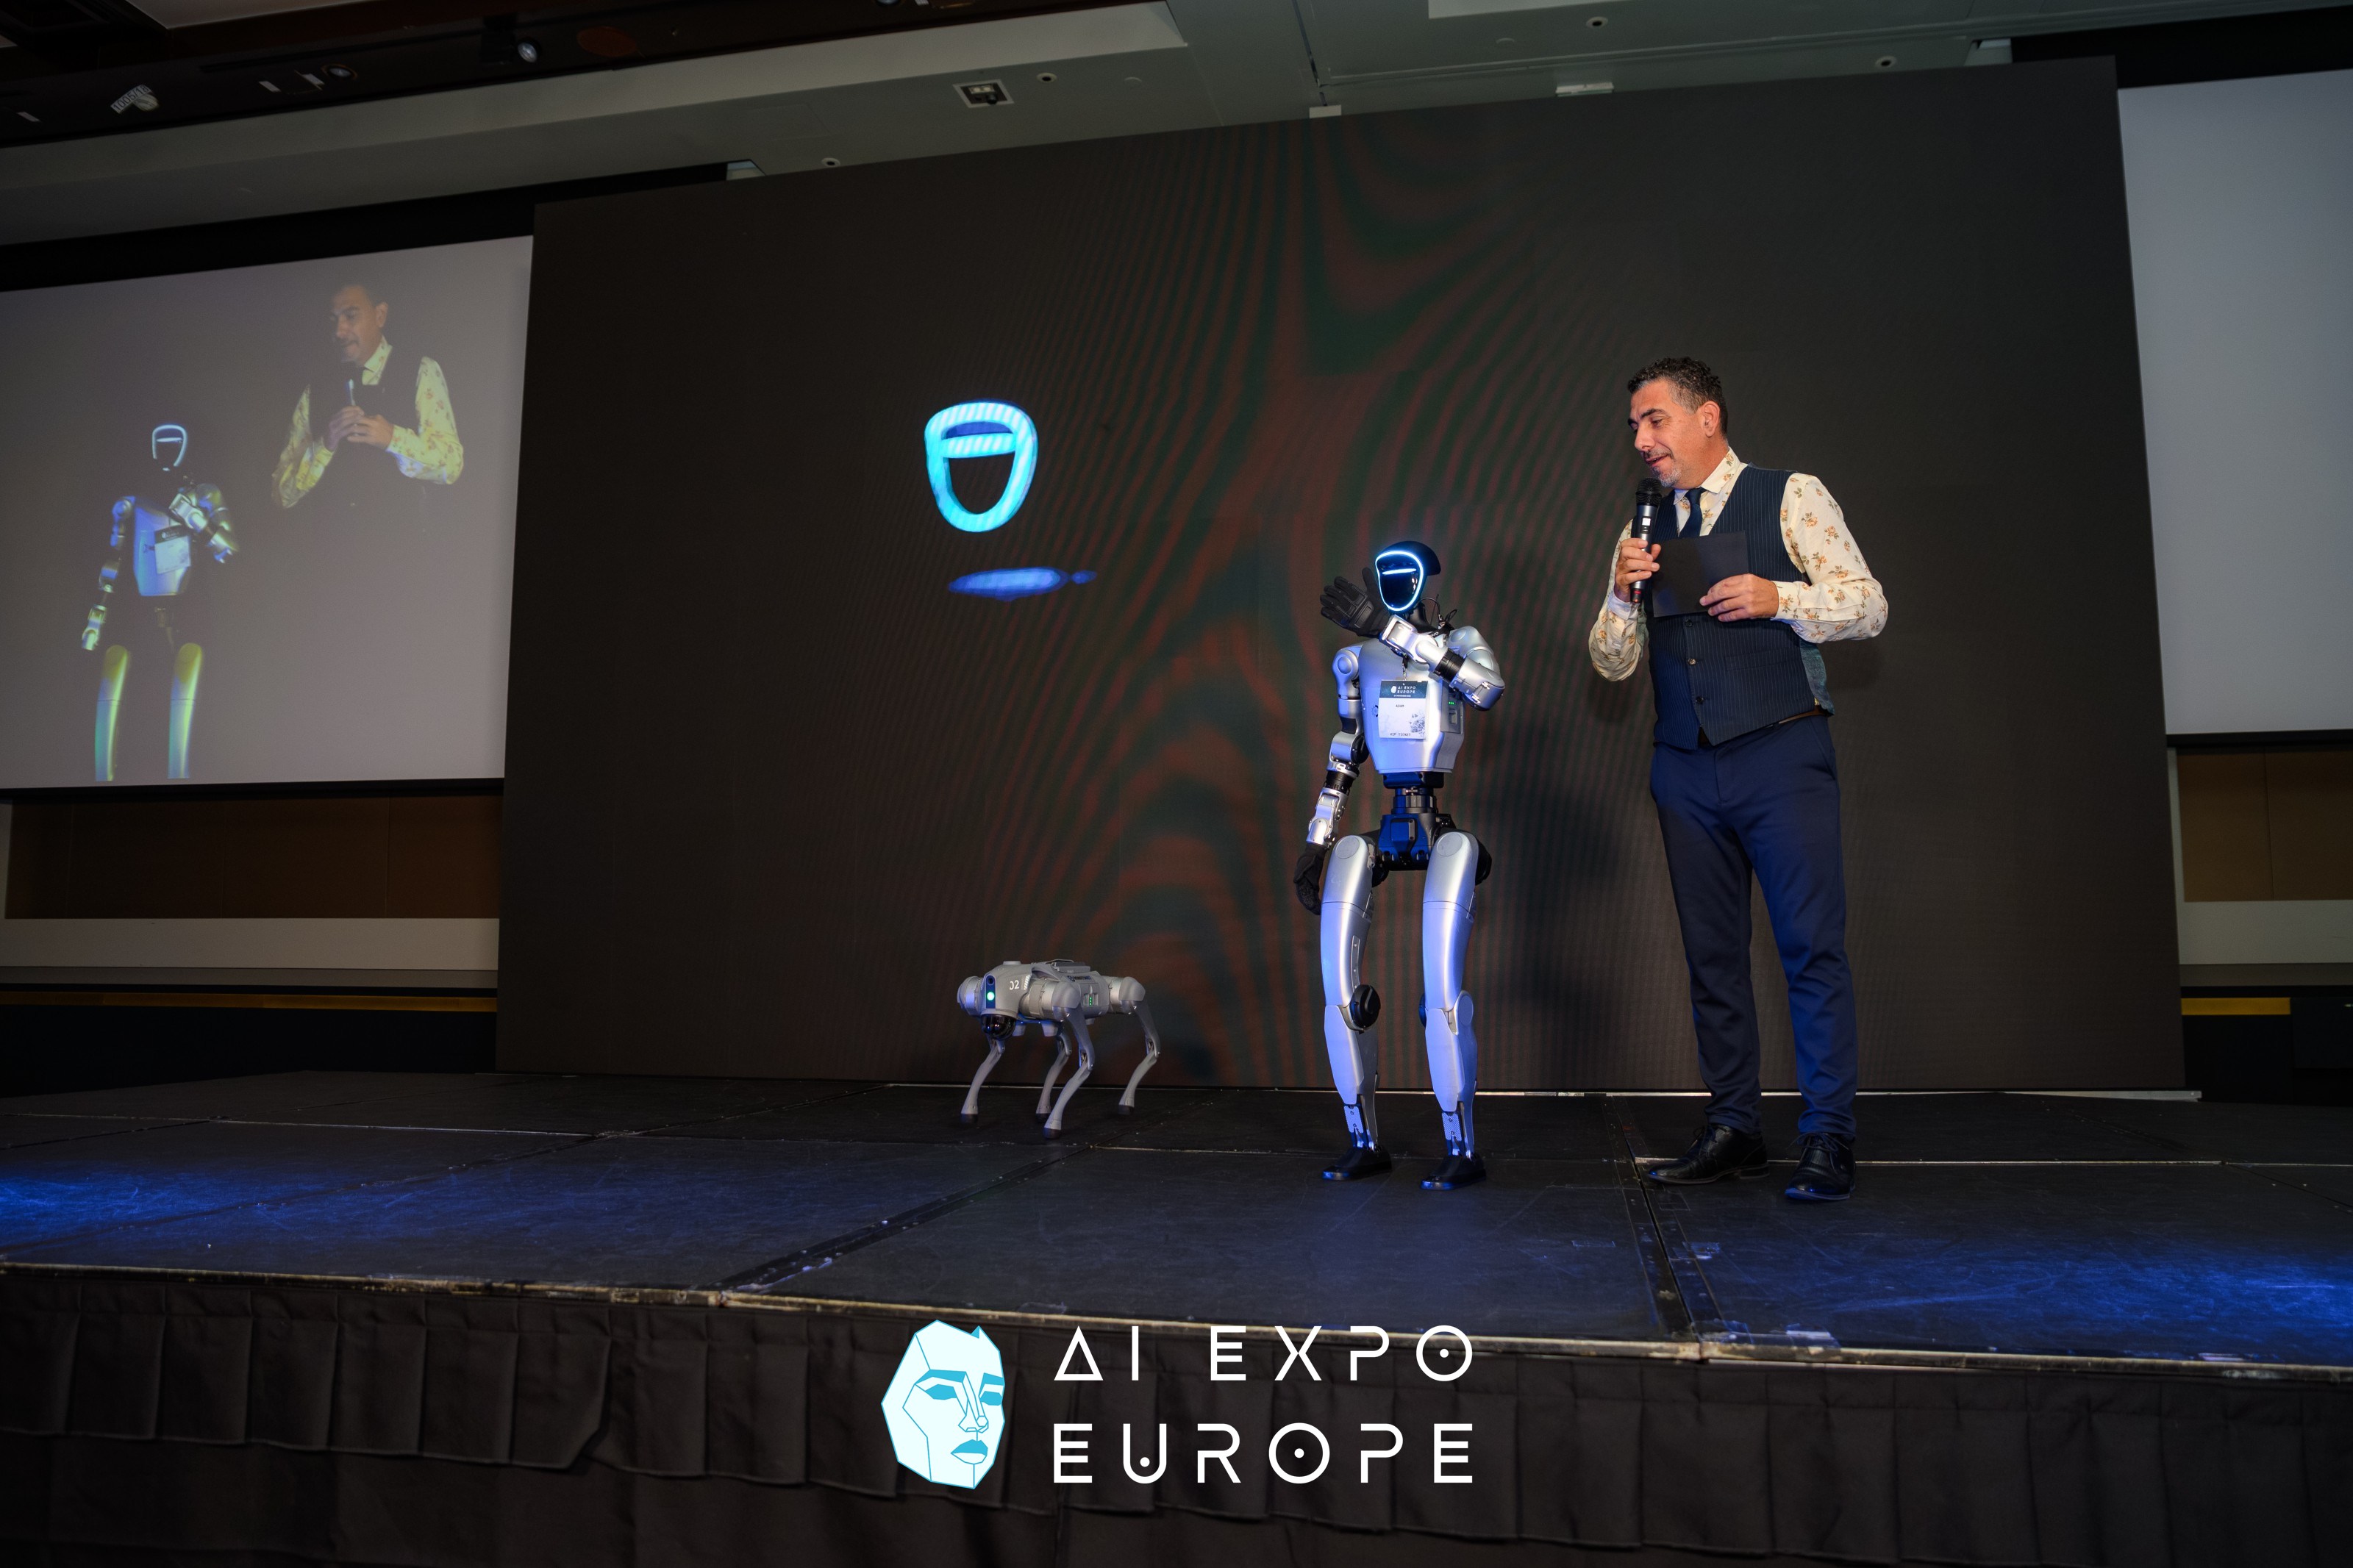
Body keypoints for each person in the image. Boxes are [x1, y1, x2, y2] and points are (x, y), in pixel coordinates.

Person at [1588, 358, 1886, 1201]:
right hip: (1684, 766)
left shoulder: (1788, 494)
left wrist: (1777, 597)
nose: (1641, 440)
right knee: (1711, 956)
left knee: (1809, 948)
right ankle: (1733, 1128)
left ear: (1706, 417)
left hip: (1777, 753)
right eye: (1634, 426)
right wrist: (1620, 596)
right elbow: (1610, 664)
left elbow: (1867, 605)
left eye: (1654, 420)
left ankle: (1826, 1134)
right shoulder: (1641, 528)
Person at [272, 282, 463, 518]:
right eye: (334, 320)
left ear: (380, 315)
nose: (339, 332)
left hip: (402, 538)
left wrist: (393, 439)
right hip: (331, 538)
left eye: (351, 316)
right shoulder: (316, 390)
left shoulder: (421, 371)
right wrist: (324, 445)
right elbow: (282, 494)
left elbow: (451, 465)